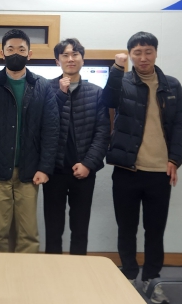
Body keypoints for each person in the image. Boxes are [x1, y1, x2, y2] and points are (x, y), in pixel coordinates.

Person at [102, 31, 182, 304]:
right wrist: (117, 68)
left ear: (156, 53)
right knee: (126, 228)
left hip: (160, 171)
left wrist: (174, 160)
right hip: (127, 169)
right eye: (137, 53)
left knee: (155, 230)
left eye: (148, 51)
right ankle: (128, 276)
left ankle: (152, 279)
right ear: (130, 55)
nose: (143, 57)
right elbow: (108, 100)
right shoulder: (123, 81)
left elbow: (178, 126)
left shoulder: (172, 85)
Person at [0, 29, 58, 253]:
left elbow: (51, 130)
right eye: (10, 49)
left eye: (21, 49)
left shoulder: (42, 86)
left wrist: (45, 168)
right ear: (2, 53)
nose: (15, 54)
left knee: (28, 234)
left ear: (30, 54)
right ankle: (0, 273)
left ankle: (26, 274)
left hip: (29, 170)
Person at [43, 38, 110, 255]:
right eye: (65, 55)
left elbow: (102, 133)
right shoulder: (46, 89)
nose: (70, 59)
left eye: (75, 54)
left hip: (84, 171)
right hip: (54, 171)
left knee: (80, 228)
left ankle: (79, 271)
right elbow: (41, 127)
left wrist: (88, 164)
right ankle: (52, 270)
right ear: (57, 61)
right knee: (53, 228)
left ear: (82, 59)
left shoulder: (96, 92)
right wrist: (60, 94)